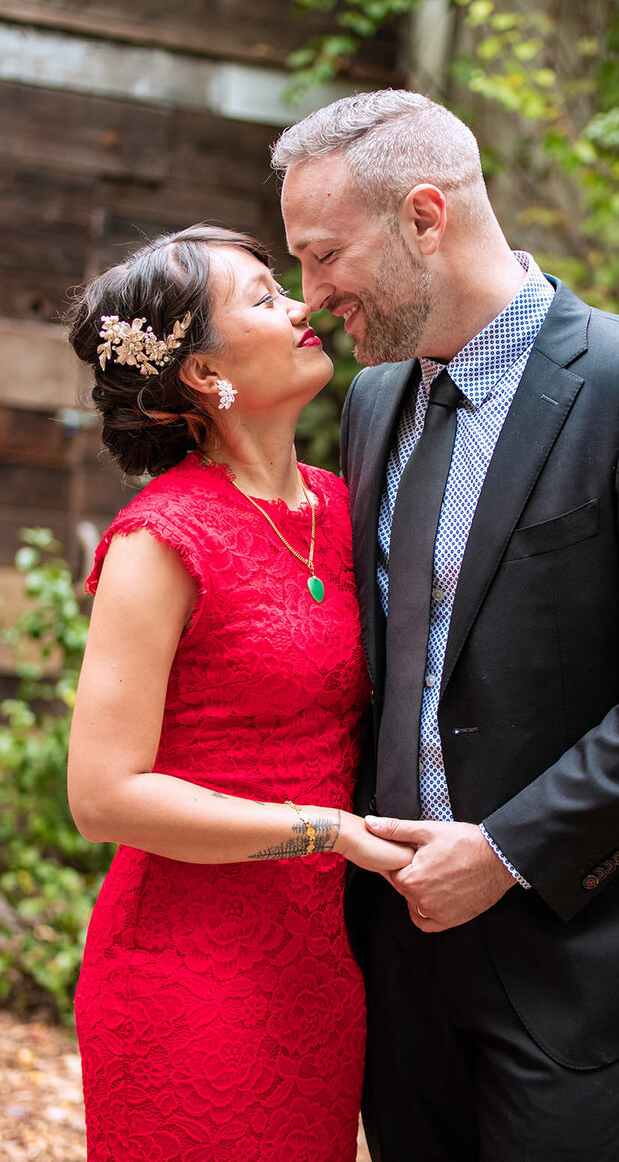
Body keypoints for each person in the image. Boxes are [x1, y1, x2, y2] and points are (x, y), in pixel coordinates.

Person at [272, 90, 619, 1162]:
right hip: (398, 943)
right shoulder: (371, 400)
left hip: (579, 937)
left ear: (422, 217)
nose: (308, 300)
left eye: (322, 257)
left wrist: (504, 852)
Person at [66, 224, 413, 1162]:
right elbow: (104, 796)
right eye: (263, 298)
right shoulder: (161, 539)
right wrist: (328, 830)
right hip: (187, 974)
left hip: (319, 971)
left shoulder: (350, 506)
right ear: (197, 373)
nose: (301, 305)